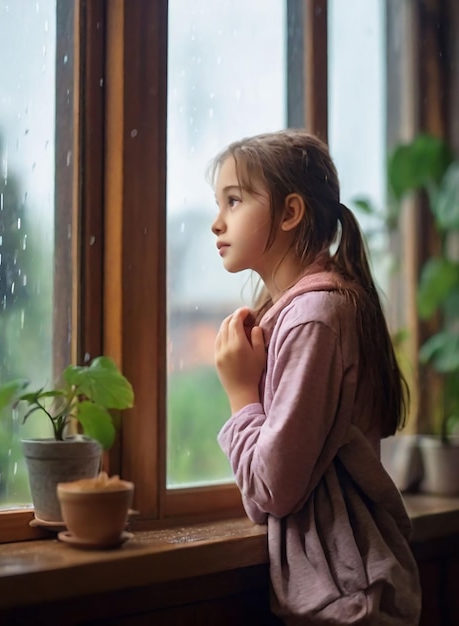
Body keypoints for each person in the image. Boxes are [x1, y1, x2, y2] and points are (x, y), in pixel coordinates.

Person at [209, 129, 421, 625]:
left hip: (348, 598)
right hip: (342, 592)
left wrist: (242, 395)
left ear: (289, 212)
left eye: (234, 200)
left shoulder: (314, 318)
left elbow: (273, 490)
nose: (217, 222)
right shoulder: (304, 313)